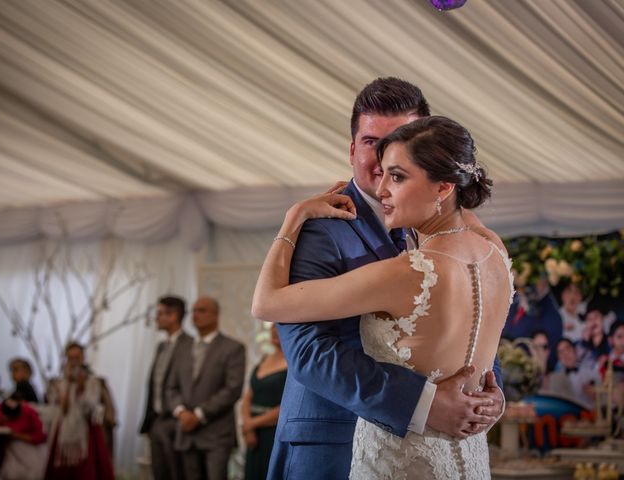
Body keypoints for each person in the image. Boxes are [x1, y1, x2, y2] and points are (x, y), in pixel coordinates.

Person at [255, 78, 505, 480]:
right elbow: (307, 351)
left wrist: (486, 391)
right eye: (373, 142)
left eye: (399, 142)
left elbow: (471, 322)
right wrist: (422, 403)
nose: (384, 158)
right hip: (337, 442)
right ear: (352, 148)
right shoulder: (322, 227)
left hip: (438, 448)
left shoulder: (460, 233)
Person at [166, 296, 246, 480]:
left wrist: (199, 415)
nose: (196, 315)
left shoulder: (233, 348)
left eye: (202, 310)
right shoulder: (182, 348)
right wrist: (181, 412)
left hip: (216, 434)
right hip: (186, 433)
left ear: (216, 315)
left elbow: (233, 388)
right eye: (194, 310)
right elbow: (171, 387)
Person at [140, 296, 193, 480]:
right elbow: (154, 385)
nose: (157, 318)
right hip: (156, 422)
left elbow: (189, 385)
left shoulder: (191, 345)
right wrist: (149, 422)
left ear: (174, 315)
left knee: (177, 473)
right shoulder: (161, 346)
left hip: (177, 423)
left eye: (161, 313)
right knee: (159, 473)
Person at [44, 342, 114, 480]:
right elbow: (57, 408)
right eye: (71, 358)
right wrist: (69, 386)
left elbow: (90, 407)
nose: (74, 361)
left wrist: (81, 388)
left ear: (83, 358)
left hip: (86, 431)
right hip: (63, 432)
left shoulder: (93, 382)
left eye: (77, 357)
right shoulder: (59, 383)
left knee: (86, 470)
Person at [242, 325, 287, 480]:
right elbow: (248, 396)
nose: (275, 330)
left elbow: (287, 406)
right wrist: (247, 426)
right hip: (254, 434)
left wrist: (253, 424)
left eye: (280, 325)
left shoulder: (293, 363)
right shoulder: (264, 358)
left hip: (274, 432)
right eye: (273, 326)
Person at [0, 393, 47, 480]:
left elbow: (41, 436)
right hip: (0, 446)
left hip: (24, 446)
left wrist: (17, 436)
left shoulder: (29, 412)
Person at [545, 338, 600, 409]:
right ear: (559, 358)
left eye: (568, 349)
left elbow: (604, 400)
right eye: (561, 352)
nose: (565, 354)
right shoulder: (554, 378)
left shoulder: (591, 374)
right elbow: (554, 404)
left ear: (575, 350)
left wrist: (595, 396)